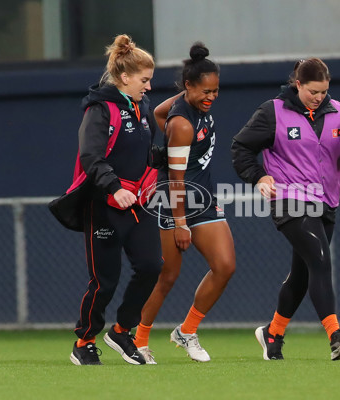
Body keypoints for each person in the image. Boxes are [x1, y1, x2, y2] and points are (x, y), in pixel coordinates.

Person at [231, 58, 340, 361]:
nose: (319, 97)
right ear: (297, 84)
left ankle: (273, 332)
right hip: (289, 198)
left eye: (324, 91)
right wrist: (259, 176)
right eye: (313, 91)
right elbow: (241, 148)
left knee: (303, 274)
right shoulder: (273, 112)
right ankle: (336, 336)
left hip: (326, 202)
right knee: (320, 262)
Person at [48, 34, 164, 365]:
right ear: (125, 77)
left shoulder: (142, 110)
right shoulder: (99, 110)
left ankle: (121, 331)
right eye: (144, 80)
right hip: (103, 206)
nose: (149, 87)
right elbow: (91, 157)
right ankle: (84, 341)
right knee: (105, 282)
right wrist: (115, 188)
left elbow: (143, 156)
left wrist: (172, 158)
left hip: (136, 206)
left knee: (151, 266)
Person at [131, 42, 235, 363]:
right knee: (167, 277)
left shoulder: (194, 109)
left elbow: (157, 111)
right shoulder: (183, 125)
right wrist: (180, 224)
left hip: (203, 199)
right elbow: (175, 181)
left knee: (225, 266)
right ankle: (138, 340)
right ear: (189, 86)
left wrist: (187, 98)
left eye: (215, 91)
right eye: (205, 91)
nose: (211, 97)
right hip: (175, 204)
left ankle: (187, 331)